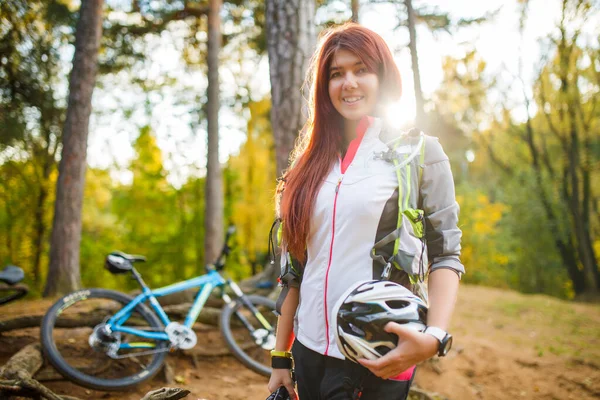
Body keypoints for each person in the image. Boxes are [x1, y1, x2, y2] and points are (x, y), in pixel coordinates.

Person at [267, 22, 464, 400]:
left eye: (361, 69)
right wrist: (280, 357)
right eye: (336, 74)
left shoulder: (419, 154)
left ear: (382, 76)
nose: (349, 83)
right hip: (307, 351)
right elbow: (295, 271)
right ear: (325, 87)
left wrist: (434, 337)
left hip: (375, 352)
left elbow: (446, 255)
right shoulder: (307, 166)